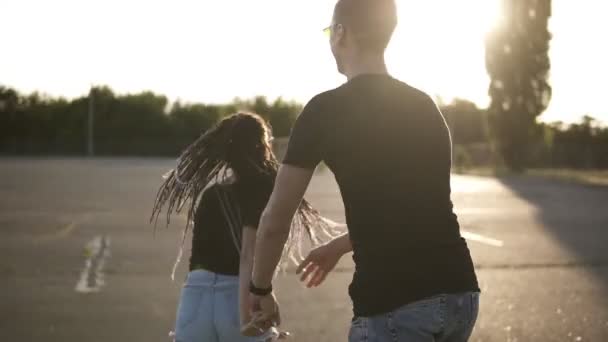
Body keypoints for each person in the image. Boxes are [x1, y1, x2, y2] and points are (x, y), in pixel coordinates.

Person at [248, 0, 480, 341]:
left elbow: (274, 220)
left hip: (395, 305)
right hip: (460, 293)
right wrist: (339, 245)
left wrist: (259, 289)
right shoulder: (424, 106)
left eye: (330, 31)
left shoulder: (324, 110)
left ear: (341, 33)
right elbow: (413, 207)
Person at [151, 112, 331, 342]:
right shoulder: (262, 186)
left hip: (194, 298)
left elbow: (197, 258)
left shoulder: (211, 195)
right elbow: (247, 255)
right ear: (261, 145)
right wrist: (248, 313)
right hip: (235, 296)